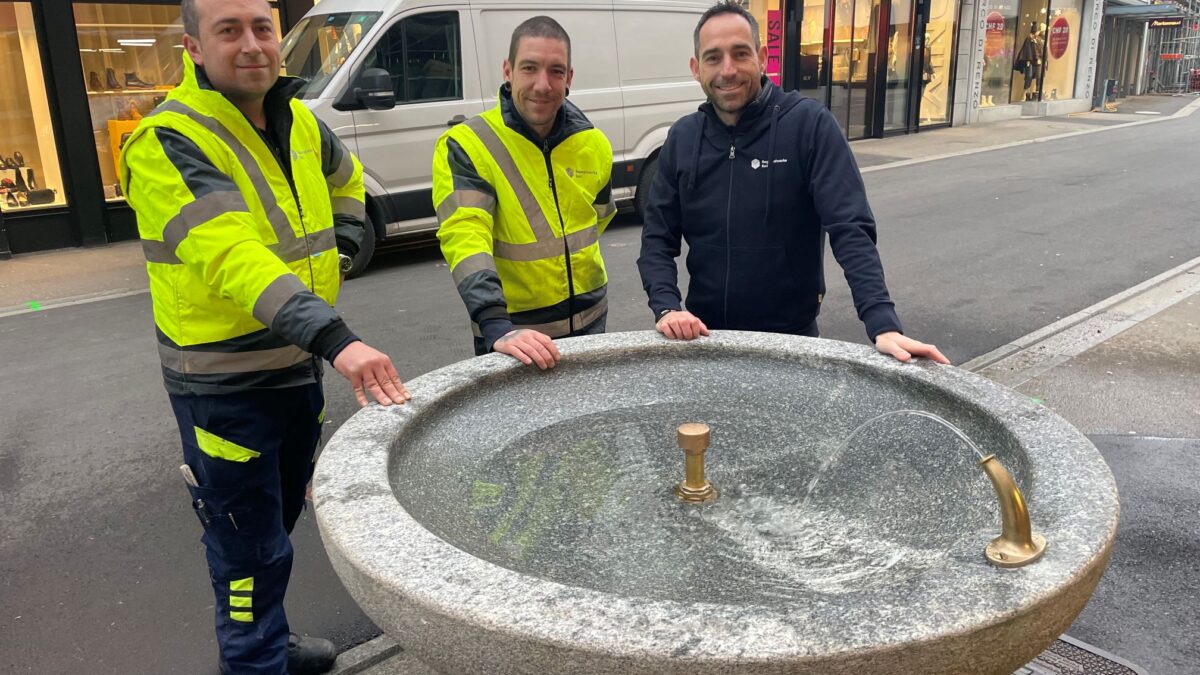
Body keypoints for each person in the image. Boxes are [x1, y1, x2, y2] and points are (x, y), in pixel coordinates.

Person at [118, 0, 411, 672]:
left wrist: (339, 245)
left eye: (261, 28)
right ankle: (254, 661)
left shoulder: (300, 121)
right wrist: (335, 335)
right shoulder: (169, 140)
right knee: (246, 553)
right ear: (193, 47)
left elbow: (348, 184)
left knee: (271, 529)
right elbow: (231, 255)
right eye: (228, 31)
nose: (251, 45)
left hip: (293, 369)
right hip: (225, 388)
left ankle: (271, 644)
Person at [637, 1, 948, 365]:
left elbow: (850, 228)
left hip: (792, 343)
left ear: (762, 56)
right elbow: (657, 237)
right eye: (713, 57)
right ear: (696, 68)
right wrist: (666, 308)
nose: (727, 70)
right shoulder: (683, 137)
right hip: (705, 341)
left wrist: (883, 323)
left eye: (740, 54)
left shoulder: (810, 126)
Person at [432, 16, 616, 370]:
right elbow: (465, 238)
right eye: (529, 68)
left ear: (570, 78)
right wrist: (494, 323)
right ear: (508, 69)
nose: (542, 85)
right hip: (514, 336)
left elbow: (598, 217)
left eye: (556, 71)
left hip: (592, 322)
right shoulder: (469, 144)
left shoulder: (593, 143)